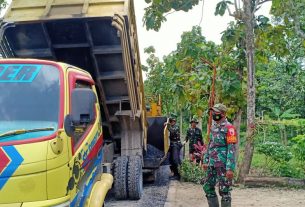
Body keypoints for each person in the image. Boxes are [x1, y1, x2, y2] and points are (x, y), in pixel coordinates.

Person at [202, 103, 237, 207]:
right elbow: (210, 145)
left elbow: (231, 148)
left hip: (223, 163)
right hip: (212, 163)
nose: (214, 114)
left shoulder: (229, 128)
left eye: (216, 112)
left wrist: (230, 168)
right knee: (207, 187)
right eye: (213, 112)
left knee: (224, 190)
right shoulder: (213, 127)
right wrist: (206, 160)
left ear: (223, 113)